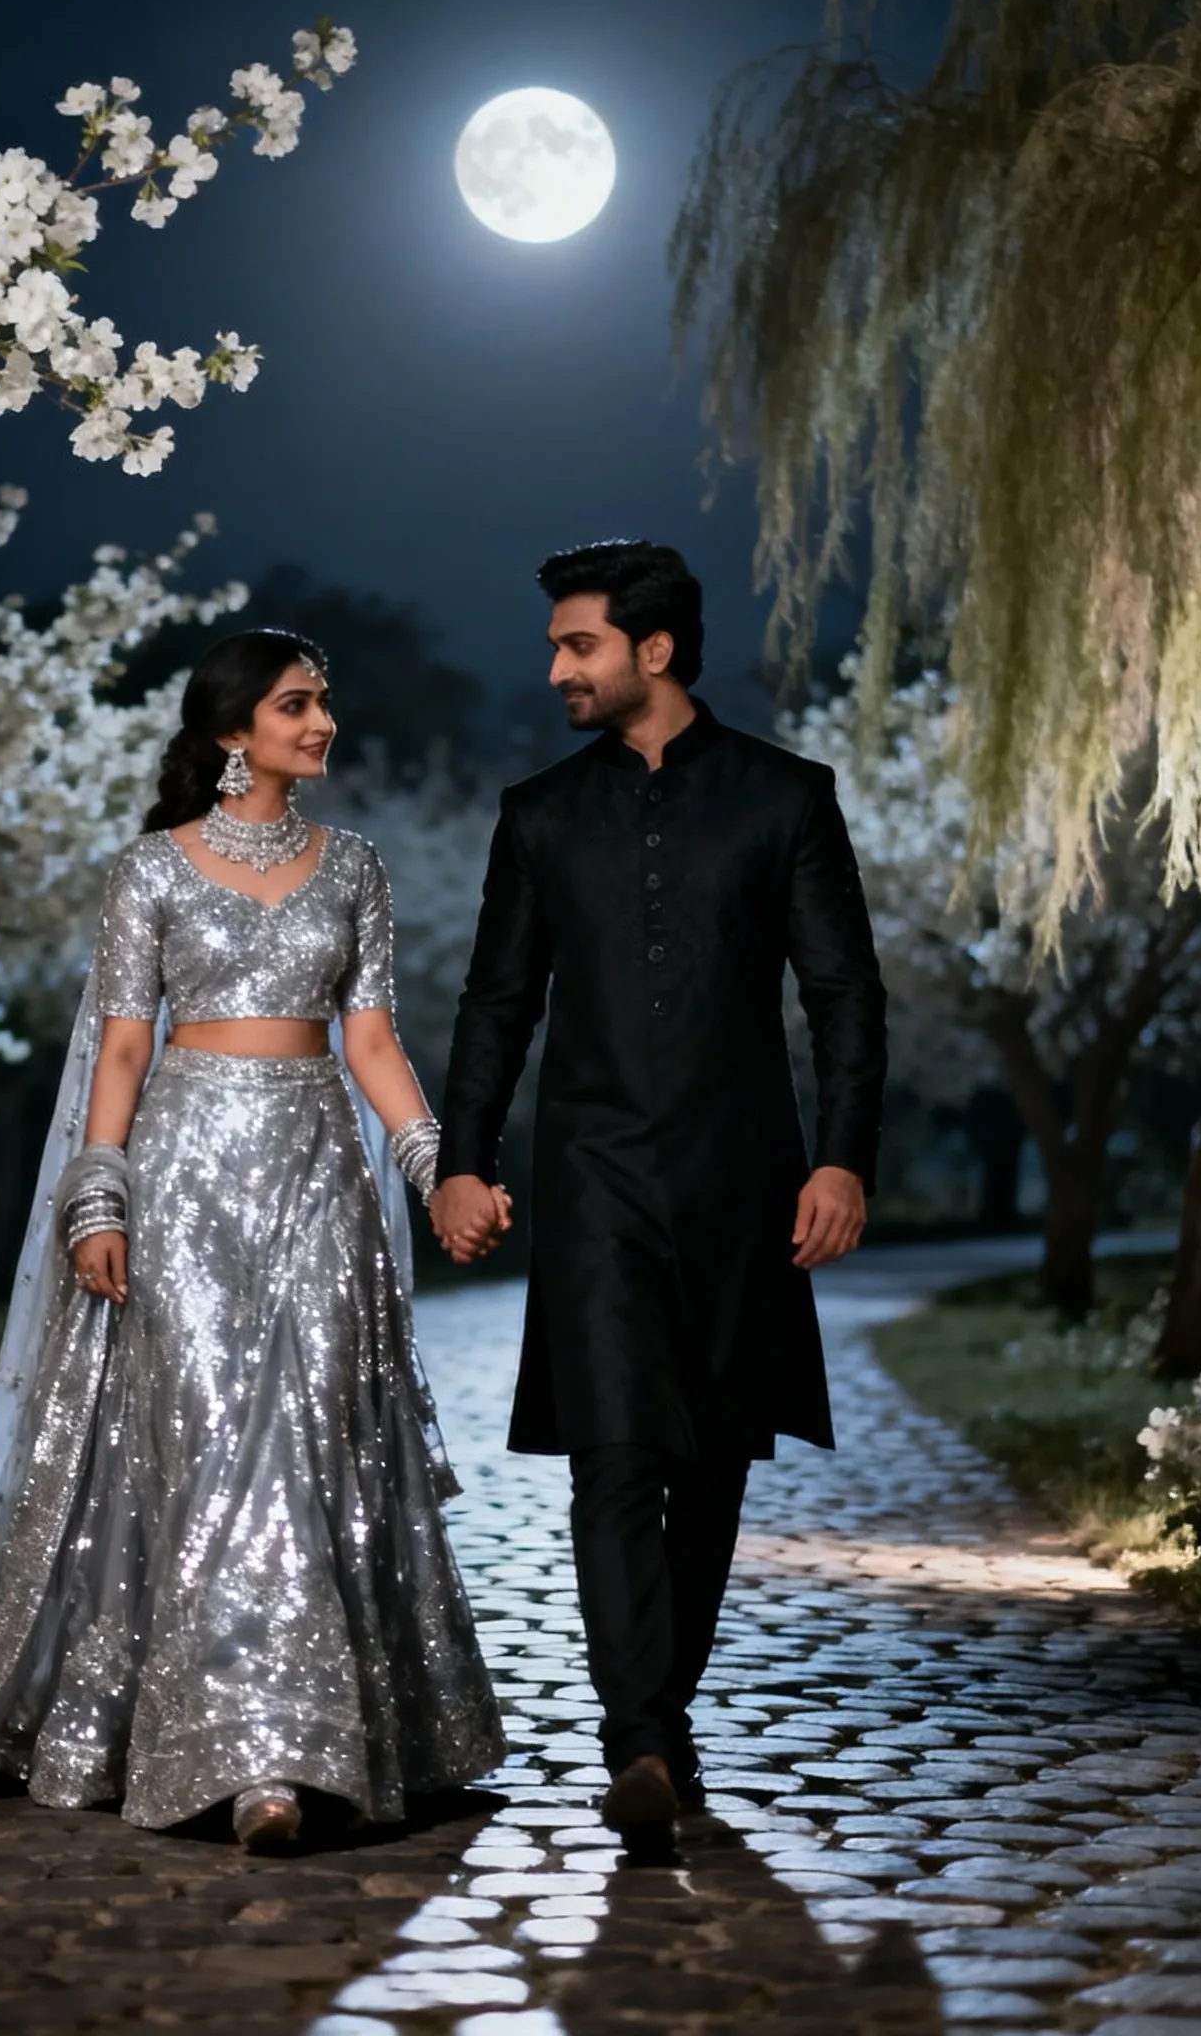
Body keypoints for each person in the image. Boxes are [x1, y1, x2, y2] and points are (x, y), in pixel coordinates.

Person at [0, 629, 506, 1850]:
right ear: (228, 732)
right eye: (298, 704)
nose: (323, 723)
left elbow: (371, 1044)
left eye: (325, 701)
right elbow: (124, 1044)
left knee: (307, 1443)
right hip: (182, 1179)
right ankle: (246, 1756)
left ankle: (292, 1754)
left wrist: (433, 1162)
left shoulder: (354, 867)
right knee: (207, 1448)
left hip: (317, 1181)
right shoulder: (151, 869)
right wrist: (99, 1193)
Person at [431, 541, 886, 1851]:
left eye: (579, 645)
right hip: (592, 1187)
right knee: (615, 1457)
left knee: (714, 1462)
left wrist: (842, 1156)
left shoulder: (785, 801)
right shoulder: (538, 815)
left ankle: (658, 1724)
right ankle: (637, 1737)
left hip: (746, 1182)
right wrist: (467, 1158)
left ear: (656, 652)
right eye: (559, 645)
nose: (559, 668)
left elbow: (845, 992)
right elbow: (498, 1002)